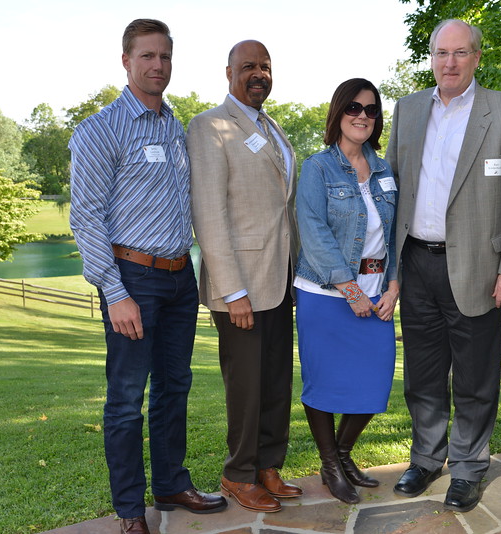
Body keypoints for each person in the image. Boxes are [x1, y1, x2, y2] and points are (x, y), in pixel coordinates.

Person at [69, 19, 227, 534]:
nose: (157, 66)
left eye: (165, 56)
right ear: (126, 61)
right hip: (132, 279)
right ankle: (131, 512)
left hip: (180, 277)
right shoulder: (99, 130)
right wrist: (114, 292)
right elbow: (86, 217)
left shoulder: (173, 125)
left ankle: (171, 484)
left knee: (174, 388)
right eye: (147, 57)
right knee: (126, 399)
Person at [386, 19, 501, 513]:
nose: (448, 63)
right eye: (440, 53)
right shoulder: (408, 110)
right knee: (423, 374)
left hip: (479, 268)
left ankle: (469, 467)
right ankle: (427, 458)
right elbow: (390, 187)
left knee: (475, 377)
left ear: (476, 57)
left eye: (459, 53)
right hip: (416, 263)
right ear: (430, 57)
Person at [187, 39, 301, 514]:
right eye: (249, 66)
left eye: (266, 67)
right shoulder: (209, 126)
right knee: (247, 385)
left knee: (276, 380)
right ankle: (238, 474)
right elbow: (209, 214)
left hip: (281, 278)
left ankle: (268, 466)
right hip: (242, 285)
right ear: (229, 71)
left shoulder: (271, 127)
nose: (259, 74)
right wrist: (232, 290)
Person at [294, 78, 399, 504]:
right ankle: (332, 465)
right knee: (323, 383)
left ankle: (342, 453)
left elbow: (396, 234)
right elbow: (313, 230)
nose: (362, 116)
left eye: (371, 110)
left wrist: (394, 284)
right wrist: (349, 288)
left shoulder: (385, 170)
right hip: (324, 292)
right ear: (338, 113)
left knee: (375, 381)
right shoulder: (317, 167)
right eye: (354, 108)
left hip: (377, 293)